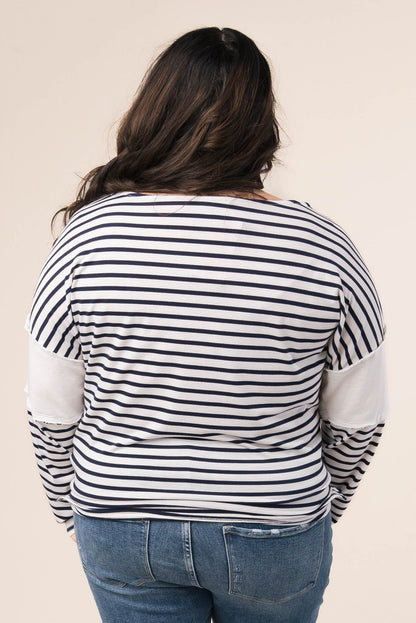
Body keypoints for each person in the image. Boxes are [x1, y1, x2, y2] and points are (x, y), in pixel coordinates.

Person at [24, 26, 388, 623]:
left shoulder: (88, 238)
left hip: (122, 525)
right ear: (262, 122)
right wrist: (311, 509)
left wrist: (73, 513)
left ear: (155, 110)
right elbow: (358, 421)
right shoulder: (324, 246)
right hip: (276, 532)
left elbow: (50, 411)